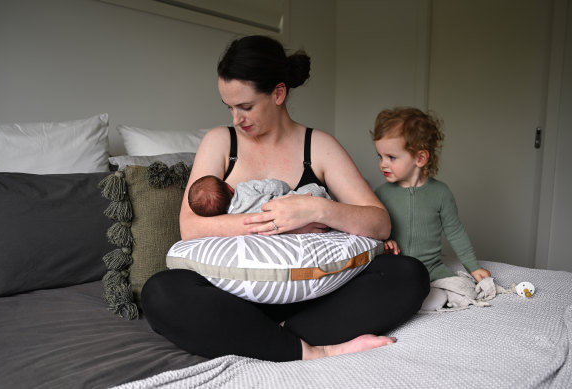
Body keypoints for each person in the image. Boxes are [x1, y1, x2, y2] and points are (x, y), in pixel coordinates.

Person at [141, 35, 430, 362]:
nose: (237, 118)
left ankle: (262, 338)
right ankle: (308, 348)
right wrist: (277, 224)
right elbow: (190, 227)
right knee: (161, 293)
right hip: (235, 294)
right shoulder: (221, 142)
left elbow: (379, 223)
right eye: (230, 107)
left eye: (246, 107)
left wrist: (314, 209)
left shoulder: (318, 145)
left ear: (278, 93)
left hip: (314, 294)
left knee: (408, 275)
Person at [372, 106, 491, 285]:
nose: (383, 164)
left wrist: (473, 267)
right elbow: (370, 231)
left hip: (432, 268)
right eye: (380, 156)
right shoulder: (380, 194)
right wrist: (385, 242)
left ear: (420, 159)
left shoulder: (441, 193)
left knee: (461, 288)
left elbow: (455, 232)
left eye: (391, 157)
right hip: (395, 265)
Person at [188, 174, 332, 217]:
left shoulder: (231, 218)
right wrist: (286, 188)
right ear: (229, 188)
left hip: (285, 217)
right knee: (315, 189)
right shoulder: (243, 188)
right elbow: (274, 185)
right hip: (289, 202)